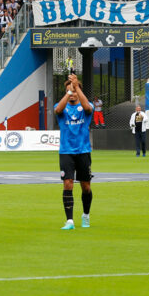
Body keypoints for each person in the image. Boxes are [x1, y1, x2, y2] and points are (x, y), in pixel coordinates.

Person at [55, 74, 94, 230]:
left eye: (74, 91)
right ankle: (69, 220)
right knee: (68, 183)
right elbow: (58, 110)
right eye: (69, 91)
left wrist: (76, 86)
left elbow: (87, 108)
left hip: (83, 151)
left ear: (79, 91)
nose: (72, 94)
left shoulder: (85, 106)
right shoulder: (62, 107)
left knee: (85, 186)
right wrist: (69, 91)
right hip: (66, 151)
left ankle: (86, 215)